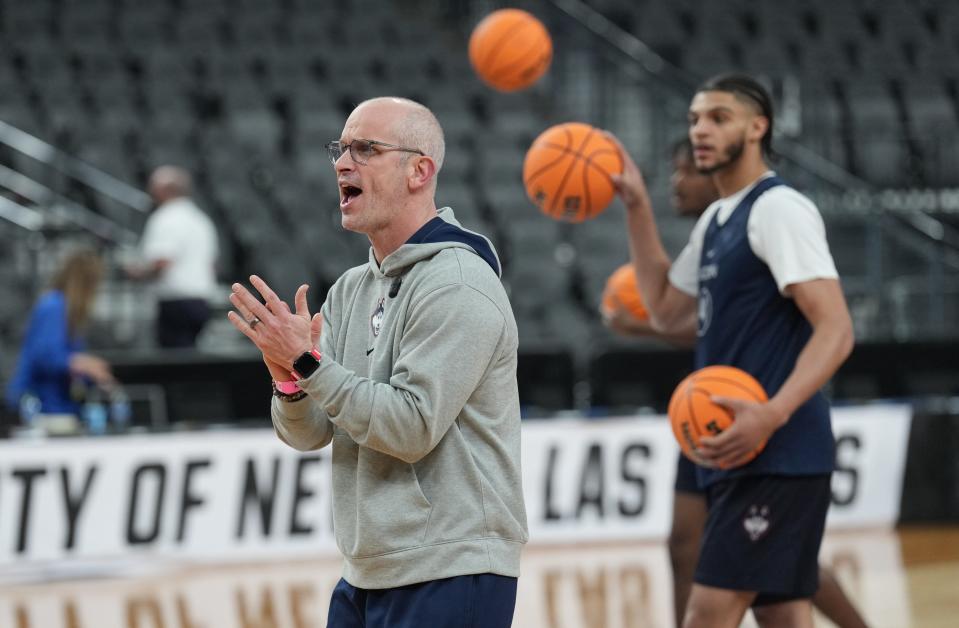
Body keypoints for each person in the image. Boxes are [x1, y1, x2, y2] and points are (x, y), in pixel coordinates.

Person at [225, 97, 528, 628]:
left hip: (452, 568)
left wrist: (308, 362)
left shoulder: (458, 283)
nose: (343, 163)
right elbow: (312, 433)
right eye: (339, 149)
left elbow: (409, 427)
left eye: (365, 149)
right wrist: (289, 380)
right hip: (368, 571)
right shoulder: (350, 289)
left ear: (420, 170)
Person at [608, 74, 855, 628]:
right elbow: (668, 310)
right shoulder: (719, 219)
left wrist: (772, 412)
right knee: (784, 615)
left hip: (777, 449)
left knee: (707, 615)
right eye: (695, 118)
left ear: (757, 127)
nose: (701, 129)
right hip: (742, 448)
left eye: (719, 117)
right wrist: (637, 207)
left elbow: (836, 329)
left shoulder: (778, 209)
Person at [5, 250, 115, 419]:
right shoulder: (54, 306)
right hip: (38, 403)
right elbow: (45, 356)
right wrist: (84, 364)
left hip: (59, 403)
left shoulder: (69, 314)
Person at [127, 166, 218, 348]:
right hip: (201, 299)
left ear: (163, 190)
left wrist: (136, 273)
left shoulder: (166, 218)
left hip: (176, 301)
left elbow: (162, 262)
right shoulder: (201, 219)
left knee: (175, 362)